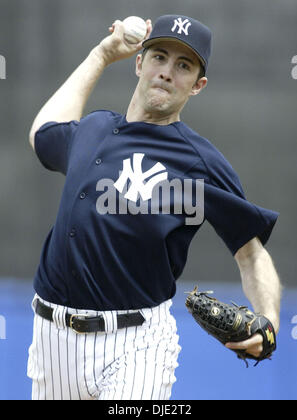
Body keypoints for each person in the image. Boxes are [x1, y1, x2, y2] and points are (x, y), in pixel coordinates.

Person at [27, 15, 281, 400]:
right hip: (51, 340)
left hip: (137, 345)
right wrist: (100, 54)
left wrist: (271, 321)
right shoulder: (93, 129)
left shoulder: (199, 162)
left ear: (198, 85)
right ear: (139, 63)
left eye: (183, 66)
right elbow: (41, 134)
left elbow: (251, 253)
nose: (166, 72)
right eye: (159, 57)